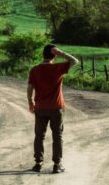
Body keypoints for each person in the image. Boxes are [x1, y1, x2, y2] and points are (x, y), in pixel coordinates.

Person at [27, 44, 79, 174]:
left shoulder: (35, 70)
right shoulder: (58, 68)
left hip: (40, 108)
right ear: (54, 55)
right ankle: (57, 165)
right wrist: (60, 53)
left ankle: (38, 163)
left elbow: (30, 88)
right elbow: (75, 61)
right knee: (57, 135)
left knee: (39, 135)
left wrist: (30, 102)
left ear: (42, 55)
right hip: (56, 108)